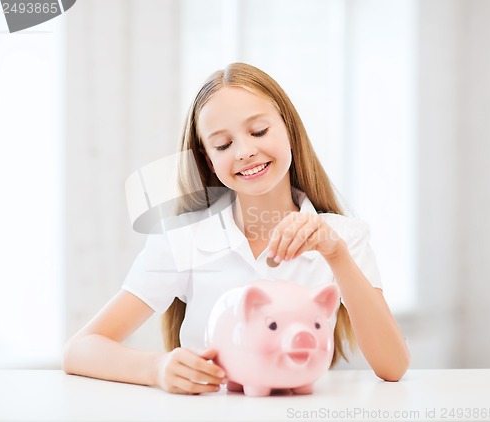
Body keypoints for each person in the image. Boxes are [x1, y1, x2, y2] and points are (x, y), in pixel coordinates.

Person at [63, 62, 410, 395]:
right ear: (208, 159)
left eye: (259, 131)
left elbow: (392, 367)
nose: (245, 151)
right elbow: (80, 350)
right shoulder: (182, 238)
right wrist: (157, 369)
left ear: (289, 128)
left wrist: (336, 255)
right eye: (223, 145)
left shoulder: (343, 237)